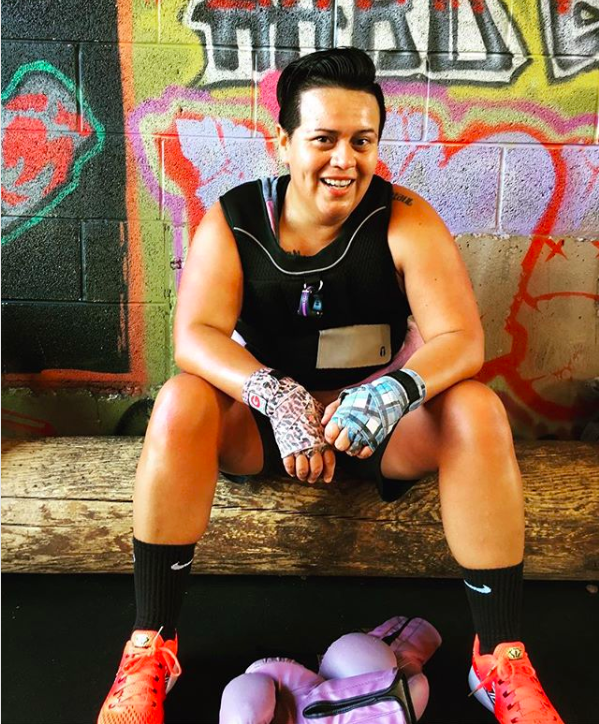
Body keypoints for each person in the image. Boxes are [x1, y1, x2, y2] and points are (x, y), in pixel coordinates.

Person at [97, 47, 564, 724]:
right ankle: (150, 648)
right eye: (323, 139)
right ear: (282, 141)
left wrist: (392, 391)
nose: (343, 160)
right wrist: (277, 397)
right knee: (180, 399)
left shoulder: (405, 217)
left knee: (475, 406)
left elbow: (461, 338)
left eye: (361, 141)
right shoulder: (234, 220)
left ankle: (498, 658)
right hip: (266, 428)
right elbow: (193, 335)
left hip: (375, 428)